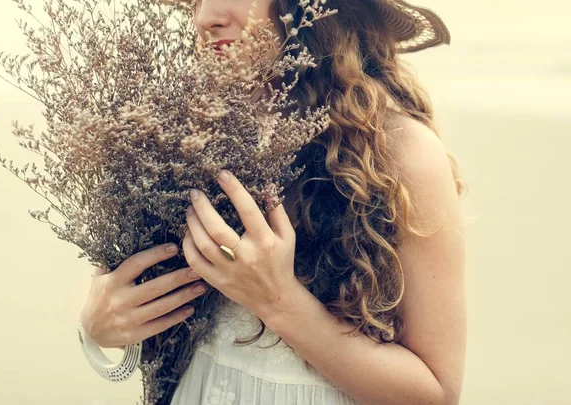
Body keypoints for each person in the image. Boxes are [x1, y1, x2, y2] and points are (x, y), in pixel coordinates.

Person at [79, 0, 468, 404]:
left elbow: (436, 394)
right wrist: (97, 329)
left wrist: (279, 301)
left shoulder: (401, 153)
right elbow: (122, 318)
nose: (205, 17)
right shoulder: (176, 135)